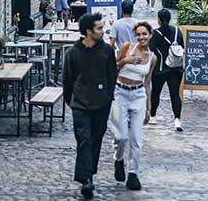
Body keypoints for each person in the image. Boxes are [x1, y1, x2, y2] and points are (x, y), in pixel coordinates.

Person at [63, 12, 117, 199]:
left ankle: (89, 173)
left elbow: (112, 75)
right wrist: (71, 101)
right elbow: (67, 80)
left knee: (95, 140)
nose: (103, 31)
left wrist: (108, 96)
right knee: (84, 140)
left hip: (101, 104)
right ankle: (86, 180)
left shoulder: (107, 51)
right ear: (88, 31)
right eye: (99, 28)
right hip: (80, 105)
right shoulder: (73, 53)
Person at [110, 21, 155, 191]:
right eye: (138, 34)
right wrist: (126, 60)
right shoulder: (127, 47)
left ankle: (133, 174)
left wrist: (149, 107)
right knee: (121, 135)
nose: (141, 37)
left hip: (138, 95)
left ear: (150, 35)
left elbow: (148, 82)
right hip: (120, 92)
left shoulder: (152, 57)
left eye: (144, 34)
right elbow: (112, 67)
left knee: (136, 138)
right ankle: (118, 158)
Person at [148, 9, 184, 132]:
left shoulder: (155, 33)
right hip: (176, 68)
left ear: (159, 20)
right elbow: (182, 47)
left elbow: (151, 51)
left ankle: (153, 116)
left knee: (156, 92)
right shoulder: (177, 31)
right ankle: (177, 120)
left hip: (160, 69)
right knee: (175, 94)